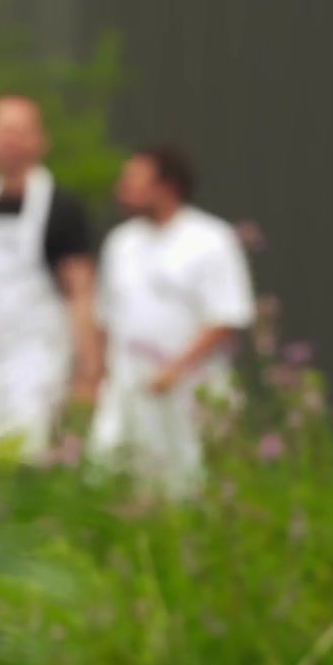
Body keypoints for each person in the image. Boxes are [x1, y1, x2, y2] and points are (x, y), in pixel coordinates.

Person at [87, 144, 255, 500]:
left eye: (135, 182)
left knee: (187, 484)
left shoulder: (210, 239)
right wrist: (97, 373)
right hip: (127, 385)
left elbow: (226, 315)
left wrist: (176, 368)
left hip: (189, 388)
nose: (123, 190)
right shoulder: (121, 242)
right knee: (109, 475)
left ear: (167, 186)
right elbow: (105, 316)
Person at [0, 95, 100, 460]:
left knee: (26, 446)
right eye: (2, 131)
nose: (9, 141)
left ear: (40, 141)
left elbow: (81, 289)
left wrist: (89, 365)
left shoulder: (63, 208)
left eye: (19, 131)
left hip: (37, 351)